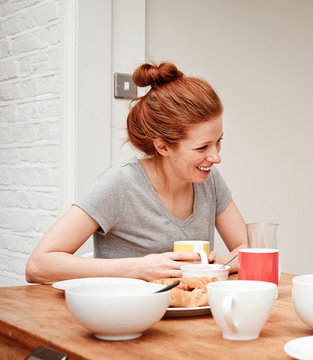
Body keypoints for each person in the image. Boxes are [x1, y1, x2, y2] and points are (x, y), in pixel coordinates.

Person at [26, 62, 247, 284]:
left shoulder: (209, 180)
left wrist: (220, 264)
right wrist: (139, 267)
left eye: (218, 142)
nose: (216, 157)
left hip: (190, 314)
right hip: (125, 316)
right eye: (202, 148)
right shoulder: (120, 183)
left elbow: (248, 248)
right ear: (163, 147)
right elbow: (39, 265)